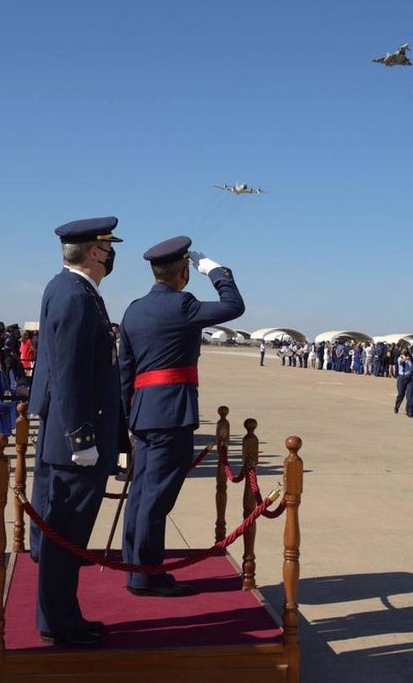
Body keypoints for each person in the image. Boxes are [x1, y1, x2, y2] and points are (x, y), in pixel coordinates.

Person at [120, 235, 244, 597]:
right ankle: (144, 576)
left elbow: (126, 371)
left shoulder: (133, 309)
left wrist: (131, 412)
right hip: (172, 412)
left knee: (142, 493)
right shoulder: (184, 305)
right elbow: (233, 305)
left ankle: (138, 566)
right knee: (156, 497)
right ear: (184, 273)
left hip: (143, 411)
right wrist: (217, 271)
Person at [29, 217, 125, 647]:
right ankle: (58, 621)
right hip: (75, 443)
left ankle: (63, 614)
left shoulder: (73, 290)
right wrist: (81, 439)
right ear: (93, 252)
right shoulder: (74, 295)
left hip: (70, 436)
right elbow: (66, 374)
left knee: (66, 536)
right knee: (66, 536)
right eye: (107, 248)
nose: (110, 255)